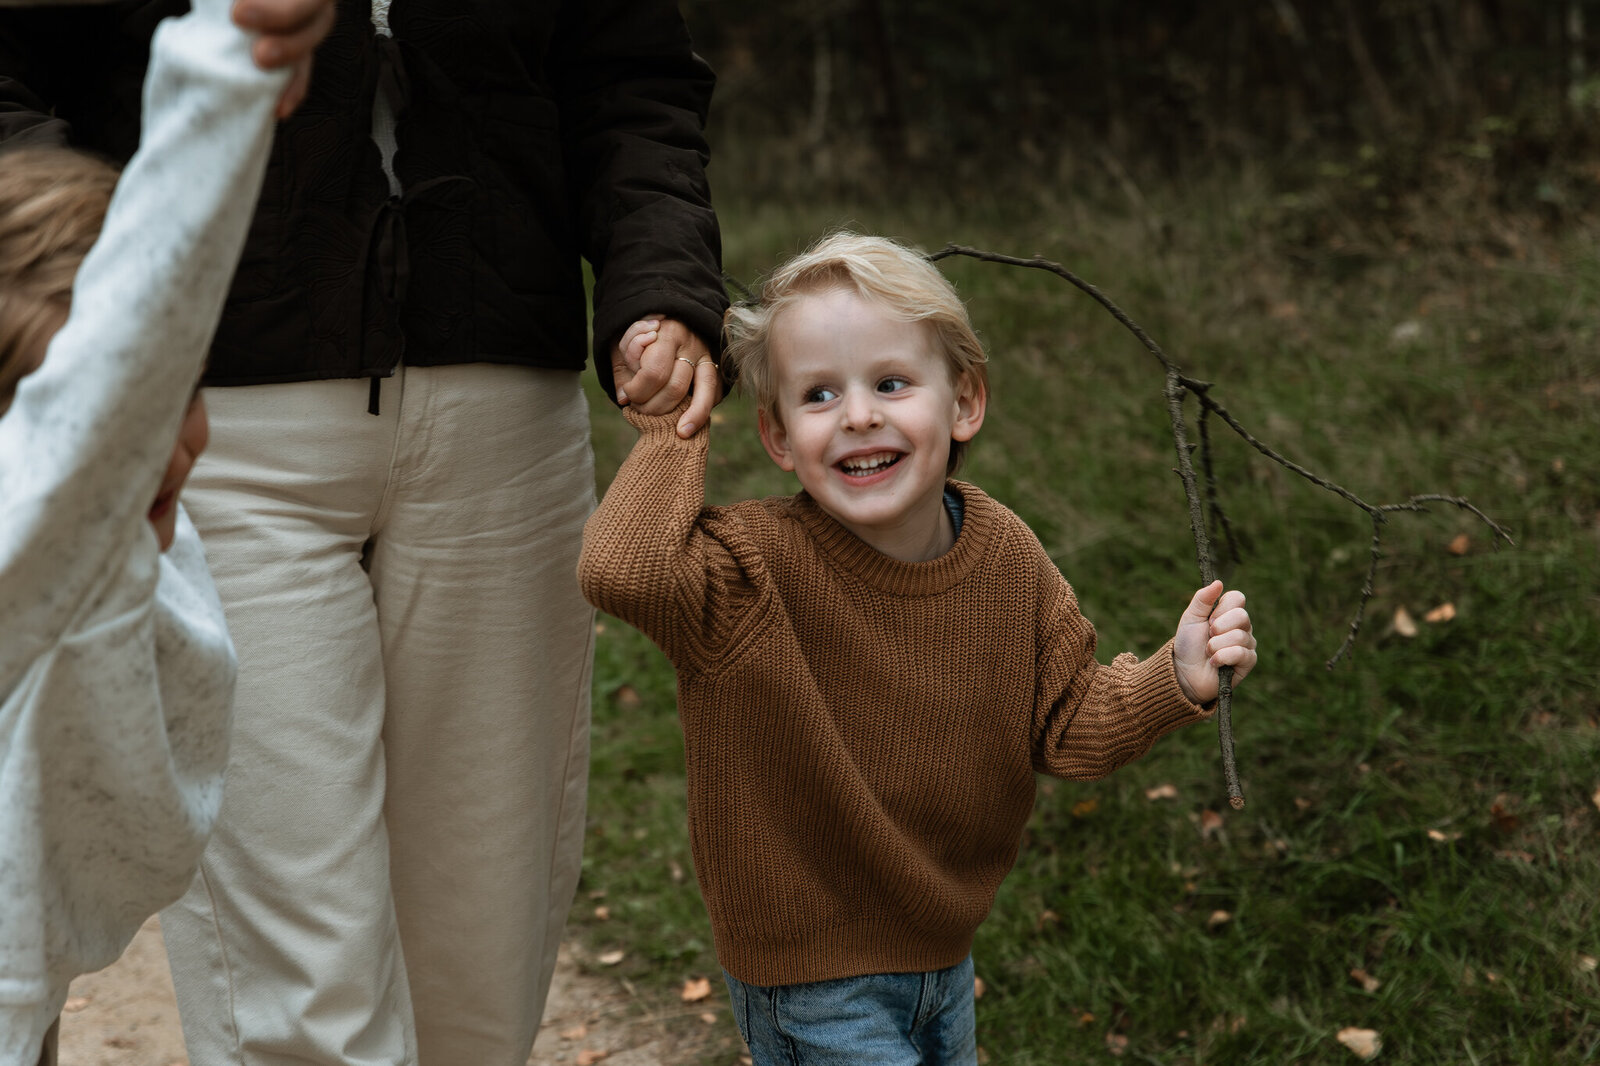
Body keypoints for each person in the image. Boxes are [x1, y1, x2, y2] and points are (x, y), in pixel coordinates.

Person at [0, 2, 727, 1062]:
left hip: (502, 416)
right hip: (214, 432)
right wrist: (120, 268)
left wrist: (661, 286)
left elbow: (631, 73)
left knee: (482, 965)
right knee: (302, 999)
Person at [578, 232, 1259, 1065]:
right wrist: (671, 429)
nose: (859, 414)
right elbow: (624, 572)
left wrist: (1173, 677)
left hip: (942, 954)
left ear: (964, 402)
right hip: (810, 976)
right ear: (779, 436)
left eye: (891, 383)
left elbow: (1066, 721)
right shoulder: (749, 574)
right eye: (819, 395)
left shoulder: (1005, 555)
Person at [0, 0, 329, 1059]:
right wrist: (225, 90)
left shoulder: (147, 550)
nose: (164, 452)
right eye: (112, 433)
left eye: (176, 397)